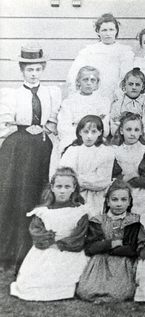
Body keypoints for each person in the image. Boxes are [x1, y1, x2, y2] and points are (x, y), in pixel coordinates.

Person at [0, 44, 61, 271]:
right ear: (22, 70)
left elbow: (53, 120)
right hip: (19, 147)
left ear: (42, 69)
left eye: (37, 69)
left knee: (40, 193)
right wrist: (22, 129)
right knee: (18, 196)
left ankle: (38, 251)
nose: (33, 73)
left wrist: (44, 130)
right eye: (29, 69)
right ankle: (12, 252)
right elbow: (4, 123)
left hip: (42, 146)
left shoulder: (50, 92)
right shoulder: (12, 94)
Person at [10, 167, 88, 301]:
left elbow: (79, 236)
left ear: (74, 188)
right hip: (45, 251)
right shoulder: (43, 212)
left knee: (63, 279)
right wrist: (51, 239)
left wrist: (62, 243)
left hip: (69, 252)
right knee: (33, 281)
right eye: (59, 186)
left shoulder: (80, 211)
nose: (62, 190)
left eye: (67, 186)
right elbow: (37, 232)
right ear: (52, 187)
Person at [76, 180, 141, 303]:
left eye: (123, 200)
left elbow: (132, 248)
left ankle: (110, 297)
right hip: (101, 261)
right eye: (114, 199)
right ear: (107, 201)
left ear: (129, 202)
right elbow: (91, 247)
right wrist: (112, 243)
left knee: (121, 291)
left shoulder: (134, 221)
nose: (119, 204)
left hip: (122, 262)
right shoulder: (98, 220)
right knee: (86, 290)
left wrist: (105, 247)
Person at [66, 13, 134, 100]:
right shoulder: (89, 51)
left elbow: (126, 76)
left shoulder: (124, 51)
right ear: (98, 31)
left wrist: (120, 95)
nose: (108, 34)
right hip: (92, 95)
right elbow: (73, 75)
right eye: (104, 30)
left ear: (116, 30)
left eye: (111, 30)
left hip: (116, 95)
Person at [59, 115, 116, 217]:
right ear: (80, 132)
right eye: (85, 132)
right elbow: (65, 176)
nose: (89, 136)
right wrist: (87, 178)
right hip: (73, 196)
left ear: (100, 132)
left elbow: (102, 181)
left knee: (92, 222)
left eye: (94, 132)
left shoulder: (106, 151)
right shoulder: (72, 150)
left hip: (95, 198)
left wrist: (77, 179)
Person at [57, 66, 111, 154]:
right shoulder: (69, 102)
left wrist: (78, 124)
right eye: (85, 80)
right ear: (78, 82)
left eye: (92, 80)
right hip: (73, 138)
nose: (89, 83)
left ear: (97, 83)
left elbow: (105, 130)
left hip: (95, 139)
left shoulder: (102, 102)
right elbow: (63, 128)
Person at [111, 112, 145, 214]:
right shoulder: (115, 151)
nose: (132, 133)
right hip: (120, 192)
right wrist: (128, 177)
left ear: (141, 132)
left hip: (140, 193)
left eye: (136, 130)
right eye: (128, 129)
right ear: (121, 131)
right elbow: (113, 176)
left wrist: (123, 179)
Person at [110, 68, 145, 140]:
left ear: (142, 87)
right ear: (124, 85)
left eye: (137, 85)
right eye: (130, 84)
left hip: (142, 139)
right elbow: (114, 128)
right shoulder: (118, 104)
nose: (134, 87)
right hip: (122, 139)